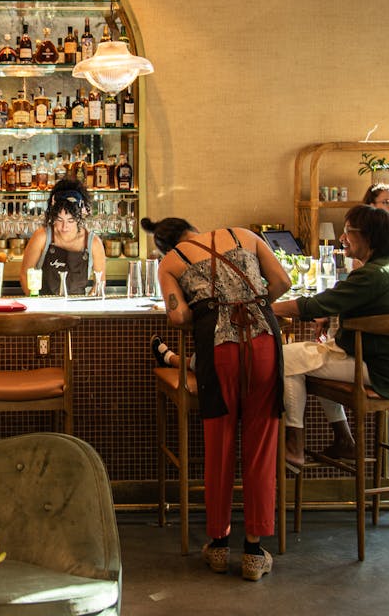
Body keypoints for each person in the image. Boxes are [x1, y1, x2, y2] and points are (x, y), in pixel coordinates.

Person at [142, 216, 290, 581]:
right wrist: (249, 304)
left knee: (219, 443)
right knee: (261, 444)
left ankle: (219, 546)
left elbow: (178, 316)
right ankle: (254, 552)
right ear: (194, 226)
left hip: (218, 349)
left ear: (164, 244)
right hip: (264, 341)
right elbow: (283, 282)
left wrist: (213, 311)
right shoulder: (245, 235)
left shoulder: (171, 261)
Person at [272, 205, 389, 466]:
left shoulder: (372, 274)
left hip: (379, 368)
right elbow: (364, 305)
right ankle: (343, 440)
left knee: (285, 358)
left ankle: (295, 445)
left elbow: (313, 305)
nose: (342, 238)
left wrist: (265, 307)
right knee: (308, 359)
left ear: (368, 236)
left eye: (348, 231)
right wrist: (333, 313)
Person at [20, 179, 106, 295]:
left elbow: (100, 282)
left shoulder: (93, 243)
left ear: (81, 216)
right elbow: (25, 274)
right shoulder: (42, 237)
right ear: (52, 216)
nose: (64, 227)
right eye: (59, 220)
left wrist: (87, 305)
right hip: (45, 307)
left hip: (78, 309)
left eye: (71, 220)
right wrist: (36, 304)